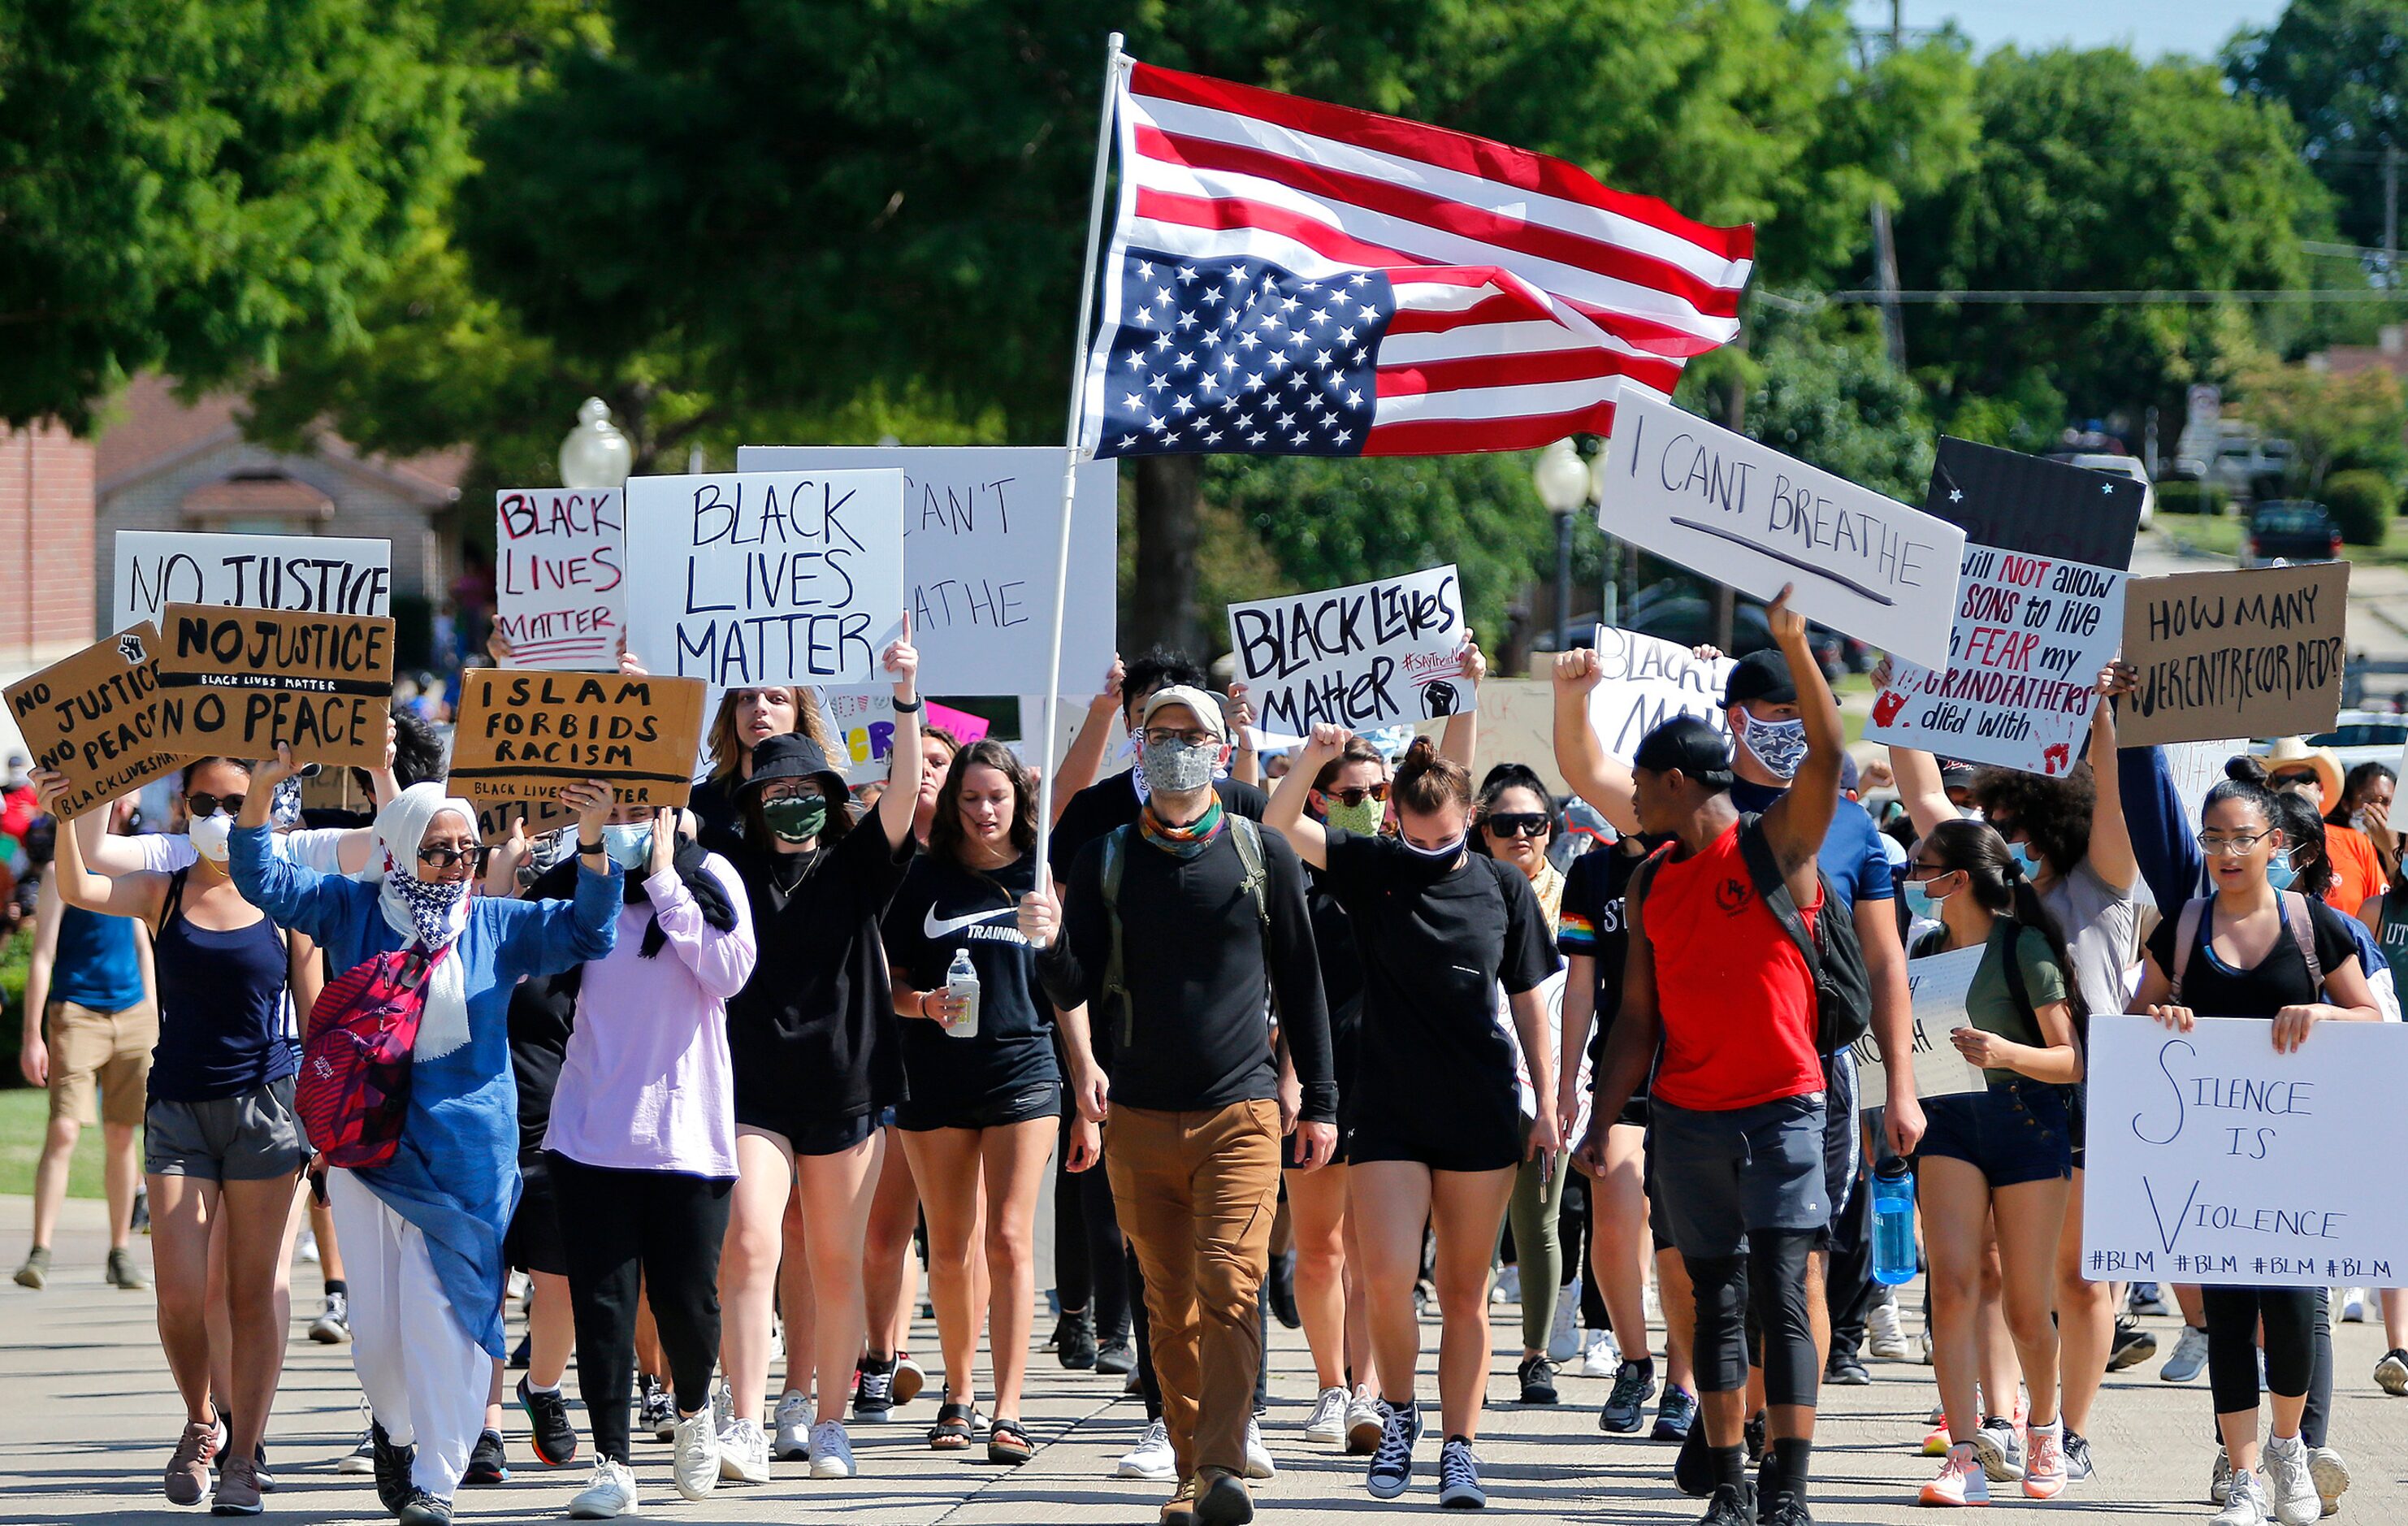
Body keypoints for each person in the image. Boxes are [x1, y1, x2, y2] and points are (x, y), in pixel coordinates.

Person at [230, 759, 621, 1526]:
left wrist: (596, 841)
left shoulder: (497, 923)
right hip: (365, 1150)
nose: (454, 866)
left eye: (467, 852)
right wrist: (263, 785)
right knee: (377, 1335)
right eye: (438, 851)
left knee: (444, 1322)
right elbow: (261, 878)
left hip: (468, 1160)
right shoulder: (352, 909)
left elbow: (590, 930)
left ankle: (436, 1478)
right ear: (400, 848)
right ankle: (396, 1431)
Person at [1022, 683, 1338, 1526]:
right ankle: (1194, 1467)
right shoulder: (1107, 858)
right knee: (1169, 1301)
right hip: (1138, 1120)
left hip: (1241, 1111)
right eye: (1156, 733)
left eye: (1188, 733)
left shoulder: (1260, 853)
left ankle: (1225, 1465)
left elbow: (1304, 982)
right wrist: (1048, 944)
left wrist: (1321, 1102)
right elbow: (1074, 983)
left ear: (1219, 747)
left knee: (1231, 1283)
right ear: (1137, 749)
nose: (1172, 745)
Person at [1577, 589, 1841, 1526]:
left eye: (1642, 787)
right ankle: (1728, 1487)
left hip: (1782, 1105)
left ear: (1680, 781)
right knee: (1719, 1298)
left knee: (1779, 1291)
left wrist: (1795, 648)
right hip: (1689, 1116)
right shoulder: (1650, 882)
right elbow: (1636, 1023)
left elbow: (1834, 754)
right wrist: (1600, 1122)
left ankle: (1789, 1493)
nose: (1633, 803)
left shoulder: (1775, 845)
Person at [1267, 730, 1558, 1509]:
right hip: (1389, 1110)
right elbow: (1279, 822)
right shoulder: (1376, 869)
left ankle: (1461, 1450)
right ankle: (1397, 1416)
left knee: (1464, 1292)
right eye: (1419, 836)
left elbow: (1531, 1002)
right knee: (1390, 1279)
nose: (1433, 851)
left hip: (1482, 1111)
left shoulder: (1503, 888)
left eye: (1449, 838)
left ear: (1471, 820)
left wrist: (1549, 1106)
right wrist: (1312, 756)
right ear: (1393, 819)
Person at [41, 759, 314, 1515]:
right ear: (183, 805)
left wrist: (323, 1123)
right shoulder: (165, 889)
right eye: (206, 800)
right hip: (178, 1111)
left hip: (264, 1112)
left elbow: (317, 1020)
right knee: (179, 1295)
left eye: (235, 800)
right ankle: (202, 1421)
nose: (221, 812)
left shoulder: (287, 900)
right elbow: (80, 888)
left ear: (260, 801)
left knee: (252, 1294)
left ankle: (245, 1457)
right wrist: (66, 813)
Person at [1890, 665, 2142, 1483]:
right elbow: (1932, 813)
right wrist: (1900, 703)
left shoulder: (2098, 884)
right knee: (1983, 1275)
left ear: (2046, 814)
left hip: (2092, 1091)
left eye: (2014, 822)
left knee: (2073, 1276)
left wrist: (2104, 713)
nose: (2004, 833)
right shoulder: (1998, 892)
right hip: (1999, 1100)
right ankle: (1995, 1423)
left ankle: (2066, 1429)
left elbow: (2111, 801)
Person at [2129, 759, 2383, 1526]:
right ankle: (2242, 1477)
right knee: (2228, 1316)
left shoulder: (2314, 923)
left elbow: (2371, 1019)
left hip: (2297, 1157)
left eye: (2243, 838)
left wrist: (2326, 1017)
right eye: (2214, 839)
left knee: (2296, 1304)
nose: (2228, 853)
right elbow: (2133, 1019)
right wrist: (2163, 1019)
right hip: (2210, 1158)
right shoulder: (2182, 927)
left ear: (2274, 841)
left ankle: (2290, 1455)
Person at [715, 620, 921, 1485]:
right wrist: (640, 698)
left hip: (844, 1089)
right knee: (752, 1245)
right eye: (774, 789)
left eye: (805, 786)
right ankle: (745, 1423)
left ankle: (830, 1421)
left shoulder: (855, 864)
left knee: (836, 1256)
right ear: (753, 800)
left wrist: (907, 698)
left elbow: (907, 799)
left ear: (827, 793)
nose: (789, 798)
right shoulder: (720, 864)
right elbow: (654, 816)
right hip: (750, 1089)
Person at [530, 800, 755, 1518]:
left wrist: (665, 882)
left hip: (687, 1136)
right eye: (613, 808)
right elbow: (534, 967)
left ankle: (694, 1410)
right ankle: (612, 1463)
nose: (628, 821)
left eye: (639, 809)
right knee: (604, 1307)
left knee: (688, 1304)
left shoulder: (711, 876)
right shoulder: (580, 884)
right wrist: (593, 856)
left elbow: (730, 971)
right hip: (591, 1133)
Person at [1895, 821, 2085, 1506]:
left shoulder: (2023, 946)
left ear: (1962, 877)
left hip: (2025, 1124)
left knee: (2029, 1308)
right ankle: (1966, 1454)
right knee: (1949, 1287)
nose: (1914, 877)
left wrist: (2005, 1052)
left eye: (1926, 866)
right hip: (1947, 1122)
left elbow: (2072, 1061)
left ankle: (2044, 1428)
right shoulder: (1922, 947)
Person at [883, 740, 1062, 1463]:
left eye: (998, 798)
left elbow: (1069, 985)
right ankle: (958, 1391)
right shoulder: (923, 879)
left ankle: (1009, 1406)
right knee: (951, 1247)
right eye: (970, 799)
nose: (985, 812)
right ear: (952, 805)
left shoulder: (1040, 874)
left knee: (1010, 1239)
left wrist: (1084, 1074)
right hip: (934, 1075)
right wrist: (924, 1005)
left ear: (1020, 801)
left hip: (1024, 1067)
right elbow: (887, 986)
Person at [1556, 823, 1700, 1441]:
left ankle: (1684, 1381)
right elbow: (1581, 984)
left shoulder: (1701, 859)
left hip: (1698, 1066)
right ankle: (1634, 1363)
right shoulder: (1591, 874)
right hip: (1620, 1068)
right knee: (1613, 1217)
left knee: (1686, 1234)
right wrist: (1566, 1082)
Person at [1282, 734, 1389, 1456]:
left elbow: (1454, 779)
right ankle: (1329, 1385)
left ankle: (1370, 1392)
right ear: (1321, 799)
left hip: (1391, 1080)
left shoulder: (1400, 873)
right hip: (1318, 1079)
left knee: (1375, 1252)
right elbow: (1291, 991)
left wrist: (1467, 696)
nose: (1370, 808)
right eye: (1352, 796)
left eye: (1379, 794)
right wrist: (1291, 1077)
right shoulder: (1298, 883)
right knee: (1319, 1248)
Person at [1466, 763, 1575, 1408]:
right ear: (1482, 831)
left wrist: (1562, 1088)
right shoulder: (1465, 888)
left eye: (1535, 824)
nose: (1522, 836)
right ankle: (1467, 1346)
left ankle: (1536, 1357)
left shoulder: (1573, 898)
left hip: (1551, 1079)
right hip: (1473, 1077)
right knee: (1469, 1227)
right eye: (1505, 825)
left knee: (1538, 1220)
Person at [15, 794, 154, 1292]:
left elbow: (143, 943)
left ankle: (120, 1250)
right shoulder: (60, 871)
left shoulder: (136, 863)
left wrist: (156, 1019)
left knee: (123, 1134)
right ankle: (40, 1249)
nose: (121, 806)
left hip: (133, 1013)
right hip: (76, 1011)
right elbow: (42, 955)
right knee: (66, 1130)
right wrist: (33, 1034)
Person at [685, 684, 834, 856]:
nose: (760, 707)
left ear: (800, 718)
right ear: (732, 715)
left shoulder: (837, 804)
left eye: (777, 699)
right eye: (748, 698)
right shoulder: (695, 805)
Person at [2261, 739, 2385, 914]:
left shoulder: (2356, 844)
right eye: (2283, 780)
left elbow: (2381, 913)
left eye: (2305, 778)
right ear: (2271, 789)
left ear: (2321, 788)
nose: (2294, 786)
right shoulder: (2259, 846)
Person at [2329, 761, 2396, 886]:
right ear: (2346, 805)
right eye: (2370, 800)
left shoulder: (2402, 847)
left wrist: (2390, 849)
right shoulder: (2336, 845)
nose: (2378, 810)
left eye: (2386, 802)